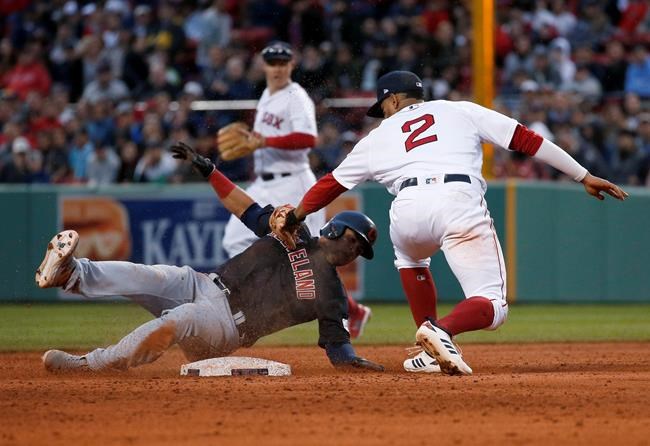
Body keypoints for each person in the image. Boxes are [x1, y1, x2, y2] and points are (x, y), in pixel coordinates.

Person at [277, 70, 628, 375]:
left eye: (382, 106)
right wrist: (582, 175)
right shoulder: (459, 110)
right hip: (457, 200)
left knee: (411, 259)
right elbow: (525, 139)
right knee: (493, 304)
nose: (382, 114)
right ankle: (439, 331)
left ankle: (429, 349)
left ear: (396, 100)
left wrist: (294, 217)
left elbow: (331, 184)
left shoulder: (377, 138)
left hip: (407, 209)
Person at [37, 141, 383, 374]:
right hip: (204, 283)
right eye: (355, 242)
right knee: (149, 276)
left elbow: (339, 348)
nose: (356, 252)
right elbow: (246, 209)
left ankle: (87, 365)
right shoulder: (296, 233)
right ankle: (72, 274)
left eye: (361, 251)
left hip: (225, 327)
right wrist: (209, 170)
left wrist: (359, 364)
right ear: (335, 229)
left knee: (180, 319)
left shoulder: (333, 294)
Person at [221, 41, 372, 338]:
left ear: (291, 65)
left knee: (314, 254)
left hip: (293, 181)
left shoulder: (295, 96)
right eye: (272, 62)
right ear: (263, 66)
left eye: (283, 63)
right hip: (264, 182)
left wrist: (264, 142)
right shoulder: (266, 95)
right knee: (234, 240)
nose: (277, 68)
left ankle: (344, 316)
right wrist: (257, 141)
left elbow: (306, 138)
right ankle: (347, 308)